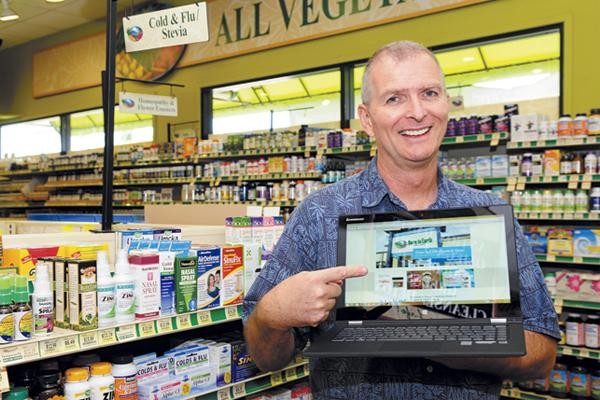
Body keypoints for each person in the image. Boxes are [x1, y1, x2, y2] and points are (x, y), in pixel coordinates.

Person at [243, 40, 560, 399]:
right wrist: (270, 315)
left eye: (429, 93)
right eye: (394, 98)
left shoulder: (489, 213)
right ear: (367, 119)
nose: (417, 112)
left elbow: (542, 355)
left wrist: (447, 338)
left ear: (446, 104)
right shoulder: (319, 214)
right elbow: (265, 358)